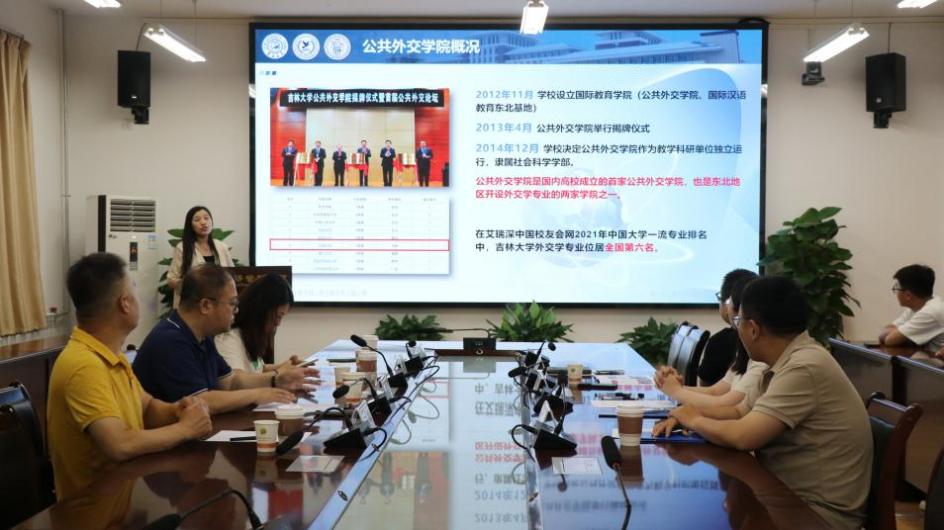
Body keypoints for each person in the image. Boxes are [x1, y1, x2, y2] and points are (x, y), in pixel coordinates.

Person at [658, 277, 872, 530]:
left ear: (753, 329)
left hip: (817, 513)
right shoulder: (780, 361)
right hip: (785, 493)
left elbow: (743, 436)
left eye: (738, 321)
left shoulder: (804, 367)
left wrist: (694, 419)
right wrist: (686, 414)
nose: (736, 329)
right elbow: (738, 412)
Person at [47, 252, 213, 500]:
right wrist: (185, 429)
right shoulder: (83, 365)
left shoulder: (112, 355)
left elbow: (146, 407)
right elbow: (119, 445)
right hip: (91, 512)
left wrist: (178, 410)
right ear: (125, 303)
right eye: (133, 288)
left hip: (123, 497)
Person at [133, 264, 319, 413]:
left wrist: (277, 380)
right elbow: (200, 401)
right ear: (206, 306)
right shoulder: (171, 340)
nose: (236, 310)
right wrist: (257, 394)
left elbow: (231, 382)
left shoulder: (202, 336)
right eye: (232, 303)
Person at [215, 273, 304, 374]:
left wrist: (288, 367)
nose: (278, 323)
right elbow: (236, 379)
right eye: (278, 316)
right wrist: (278, 375)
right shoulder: (229, 338)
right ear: (261, 310)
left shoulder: (250, 334)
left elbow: (259, 369)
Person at [166, 206, 234, 309]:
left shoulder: (222, 247)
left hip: (219, 305)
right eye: (197, 220)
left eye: (206, 218)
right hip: (192, 305)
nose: (203, 222)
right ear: (190, 225)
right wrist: (194, 287)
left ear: (212, 222)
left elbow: (232, 276)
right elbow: (172, 279)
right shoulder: (183, 248)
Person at [878, 264, 944, 351]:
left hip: (935, 359)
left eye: (897, 289)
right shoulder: (918, 306)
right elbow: (885, 332)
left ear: (908, 295)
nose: (896, 293)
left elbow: (889, 340)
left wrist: (897, 333)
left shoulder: (931, 311)